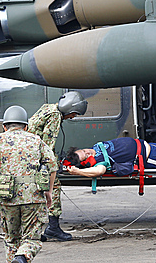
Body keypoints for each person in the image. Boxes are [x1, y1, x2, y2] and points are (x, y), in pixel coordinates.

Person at [0, 106, 58, 263]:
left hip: (6, 196)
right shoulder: (36, 140)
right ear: (26, 126)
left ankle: (15, 259)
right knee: (32, 238)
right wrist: (49, 192)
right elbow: (52, 165)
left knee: (11, 239)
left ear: (4, 126)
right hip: (33, 196)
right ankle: (22, 257)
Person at [28, 91, 88, 241]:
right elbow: (47, 145)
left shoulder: (48, 108)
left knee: (35, 193)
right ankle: (53, 228)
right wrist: (54, 166)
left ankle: (32, 230)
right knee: (53, 188)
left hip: (30, 155)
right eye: (73, 114)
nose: (72, 117)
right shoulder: (55, 117)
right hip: (36, 158)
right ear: (68, 109)